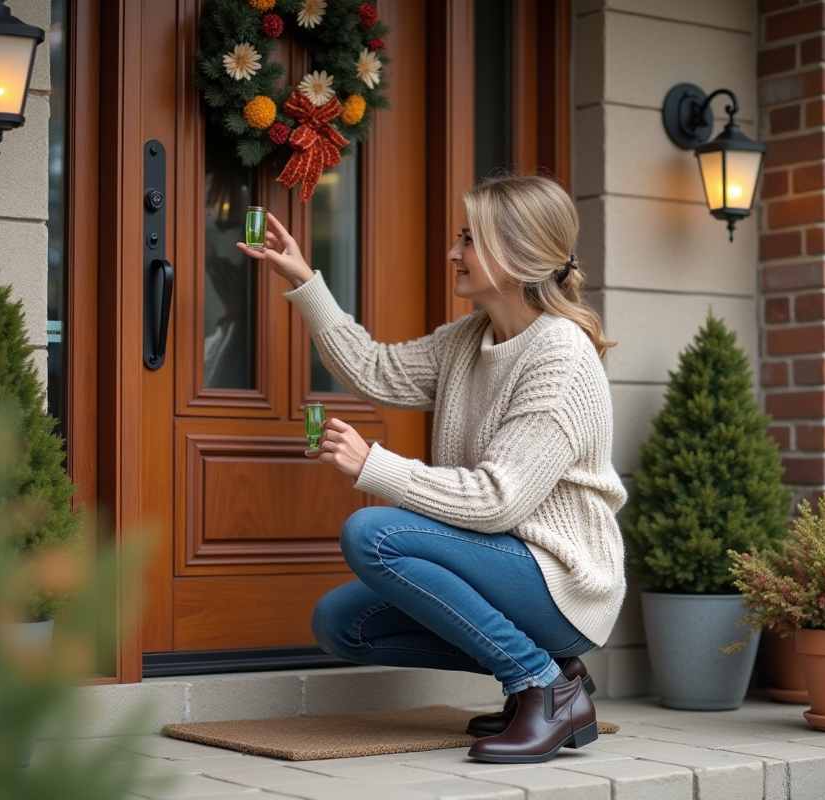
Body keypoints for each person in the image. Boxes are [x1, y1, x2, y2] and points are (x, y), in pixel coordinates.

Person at [237, 174, 627, 764]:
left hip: (561, 582)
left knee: (373, 534)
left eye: (468, 239)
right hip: (503, 562)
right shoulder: (469, 338)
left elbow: (497, 500)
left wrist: (373, 465)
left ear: (517, 256)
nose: (452, 252)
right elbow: (375, 370)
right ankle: (552, 672)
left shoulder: (560, 355)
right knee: (341, 623)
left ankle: (540, 686)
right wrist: (303, 280)